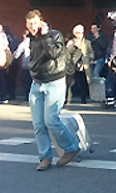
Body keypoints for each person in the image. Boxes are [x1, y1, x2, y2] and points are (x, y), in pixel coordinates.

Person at [26, 10, 80, 171]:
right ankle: (44, 157)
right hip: (37, 82)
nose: (32, 26)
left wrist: (45, 37)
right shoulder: (31, 39)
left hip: (54, 80)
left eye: (35, 23)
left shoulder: (54, 35)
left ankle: (71, 148)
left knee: (51, 120)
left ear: (42, 23)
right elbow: (34, 59)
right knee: (38, 124)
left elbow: (54, 53)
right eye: (29, 23)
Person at [65, 25, 92, 105]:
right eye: (78, 33)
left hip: (83, 65)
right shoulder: (71, 42)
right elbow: (67, 53)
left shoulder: (87, 42)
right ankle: (67, 99)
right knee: (69, 83)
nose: (80, 34)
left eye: (81, 33)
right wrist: (73, 46)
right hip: (73, 65)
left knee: (84, 82)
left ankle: (83, 99)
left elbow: (90, 52)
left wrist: (91, 58)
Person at [14, 32, 32, 101]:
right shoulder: (38, 42)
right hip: (36, 65)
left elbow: (17, 54)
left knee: (26, 81)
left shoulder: (24, 43)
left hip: (26, 65)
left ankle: (27, 96)